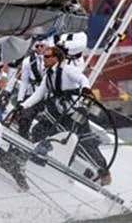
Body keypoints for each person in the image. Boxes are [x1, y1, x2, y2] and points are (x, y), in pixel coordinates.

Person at [13, 44, 112, 185]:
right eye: (43, 57)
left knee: (86, 144)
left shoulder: (68, 70)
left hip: (75, 113)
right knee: (38, 130)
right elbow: (38, 95)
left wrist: (85, 89)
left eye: (47, 57)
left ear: (56, 58)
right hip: (59, 114)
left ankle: (105, 173)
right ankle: (40, 159)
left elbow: (83, 79)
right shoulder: (48, 76)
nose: (44, 59)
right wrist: (23, 105)